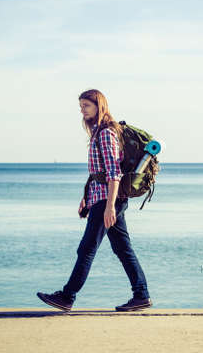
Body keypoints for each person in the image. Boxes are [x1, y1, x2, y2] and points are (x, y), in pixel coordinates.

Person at [37, 89, 152, 312]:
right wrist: (87, 199)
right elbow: (97, 174)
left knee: (87, 248)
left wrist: (109, 206)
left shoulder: (106, 133)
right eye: (80, 106)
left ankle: (67, 296)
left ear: (99, 106)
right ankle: (142, 295)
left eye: (86, 106)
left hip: (109, 200)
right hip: (104, 199)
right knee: (123, 249)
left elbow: (113, 173)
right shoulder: (98, 132)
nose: (82, 110)